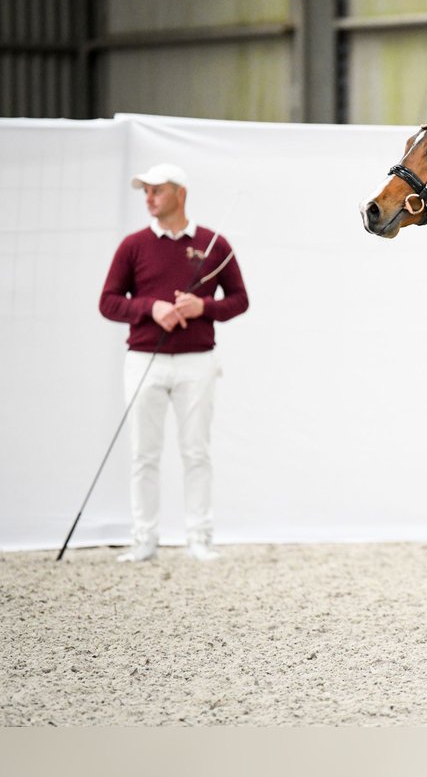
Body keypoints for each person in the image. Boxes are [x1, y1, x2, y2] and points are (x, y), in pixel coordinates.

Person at [99, 163, 249, 562]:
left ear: (180, 194)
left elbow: (239, 300)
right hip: (144, 359)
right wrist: (152, 308)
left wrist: (203, 306)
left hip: (197, 362)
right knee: (143, 454)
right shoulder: (133, 246)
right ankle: (143, 539)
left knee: (196, 451)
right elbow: (109, 302)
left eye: (156, 191)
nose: (148, 199)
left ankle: (199, 537)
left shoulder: (213, 244)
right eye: (145, 192)